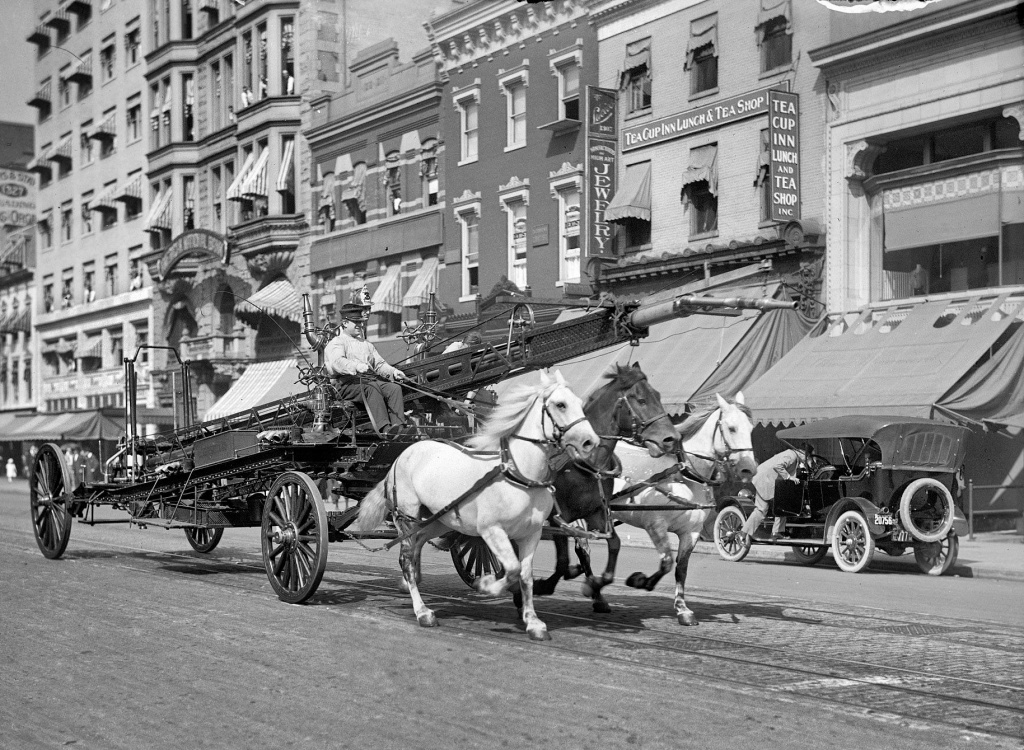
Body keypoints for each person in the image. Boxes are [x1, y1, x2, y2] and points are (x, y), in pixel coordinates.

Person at [324, 303, 410, 435]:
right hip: (345, 385)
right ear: (345, 323)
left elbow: (379, 364)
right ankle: (385, 429)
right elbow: (337, 362)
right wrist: (356, 366)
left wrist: (393, 372)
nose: (361, 325)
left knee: (394, 388)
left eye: (361, 322)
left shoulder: (366, 344)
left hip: (365, 382)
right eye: (356, 322)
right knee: (372, 388)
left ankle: (399, 427)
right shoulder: (337, 342)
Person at [737, 442, 818, 545]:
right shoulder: (791, 456)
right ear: (803, 453)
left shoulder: (793, 456)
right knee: (779, 504)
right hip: (765, 480)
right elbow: (778, 466)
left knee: (764, 509)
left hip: (765, 479)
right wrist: (789, 477)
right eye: (808, 457)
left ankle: (746, 533)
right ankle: (774, 532)